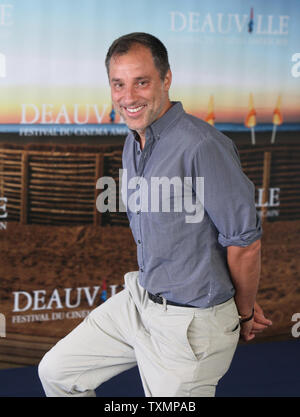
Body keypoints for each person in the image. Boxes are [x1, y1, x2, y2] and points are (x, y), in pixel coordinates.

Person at [38, 32, 272, 397]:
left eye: (141, 82)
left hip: (189, 322)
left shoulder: (202, 145)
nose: (127, 97)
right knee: (57, 372)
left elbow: (245, 243)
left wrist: (238, 311)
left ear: (166, 80)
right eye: (118, 84)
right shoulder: (134, 142)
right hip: (140, 299)